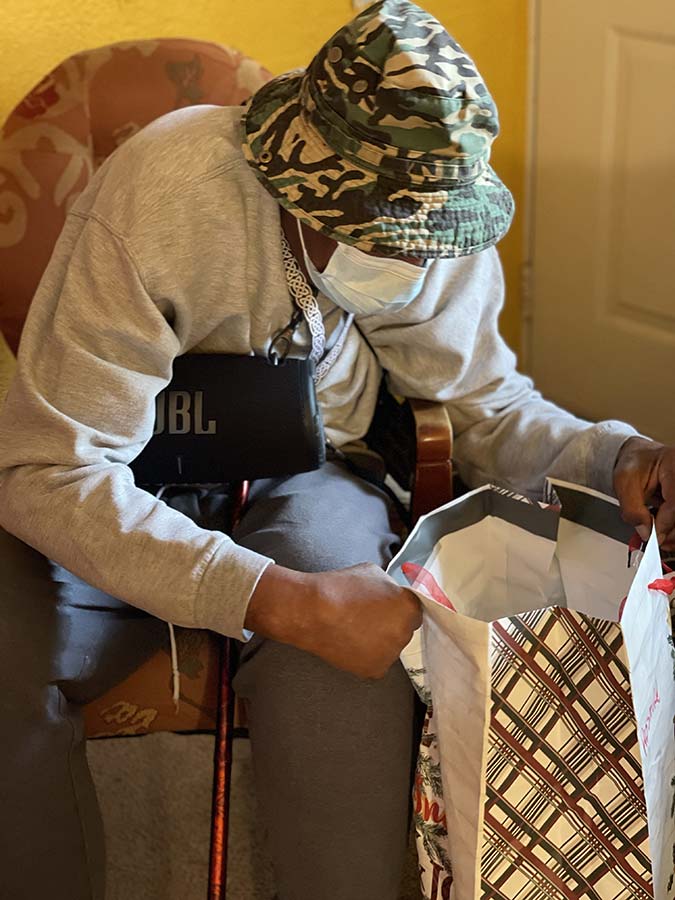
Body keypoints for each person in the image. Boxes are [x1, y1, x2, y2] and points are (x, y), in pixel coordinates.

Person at [0, 2, 673, 899]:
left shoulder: (444, 220)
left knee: (349, 650)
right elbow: (50, 469)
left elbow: (481, 408)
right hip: (124, 467)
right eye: (382, 233)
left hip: (312, 467)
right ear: (294, 180)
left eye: (425, 237)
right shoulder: (166, 192)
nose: (413, 265)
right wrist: (271, 598)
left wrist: (619, 458)